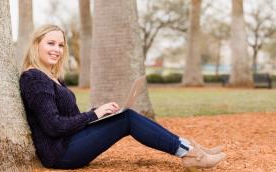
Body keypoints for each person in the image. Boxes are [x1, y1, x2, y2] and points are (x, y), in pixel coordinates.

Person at [18, 24, 226, 170]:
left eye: (61, 45)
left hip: (70, 143)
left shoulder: (51, 77)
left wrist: (99, 114)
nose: (57, 50)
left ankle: (190, 148)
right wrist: (94, 115)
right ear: (36, 45)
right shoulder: (35, 78)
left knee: (125, 115)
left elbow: (67, 119)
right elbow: (53, 125)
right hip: (60, 154)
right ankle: (189, 153)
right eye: (51, 43)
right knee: (127, 119)